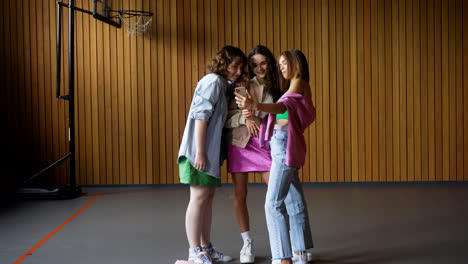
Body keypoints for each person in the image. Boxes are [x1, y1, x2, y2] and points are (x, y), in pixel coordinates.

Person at [235, 49, 315, 264]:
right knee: (294, 199)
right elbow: (285, 115)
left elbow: (283, 107)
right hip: (287, 142)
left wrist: (255, 106)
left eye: (284, 63)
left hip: (283, 145)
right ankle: (301, 252)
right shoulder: (298, 85)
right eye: (279, 64)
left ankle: (283, 258)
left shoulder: (297, 85)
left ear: (296, 64)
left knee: (272, 204)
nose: (281, 67)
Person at [178, 45, 247, 264]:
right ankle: (193, 251)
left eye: (240, 68)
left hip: (209, 154)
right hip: (198, 153)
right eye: (234, 66)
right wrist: (200, 152)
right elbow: (201, 117)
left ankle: (205, 248)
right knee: (198, 199)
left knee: (206, 200)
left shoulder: (223, 85)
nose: (237, 71)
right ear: (223, 63)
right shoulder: (213, 82)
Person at [224, 45, 282, 263]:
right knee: (240, 194)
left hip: (265, 144)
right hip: (241, 143)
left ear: (270, 63)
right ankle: (247, 243)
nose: (259, 68)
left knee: (276, 195)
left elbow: (284, 114)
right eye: (255, 64)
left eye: (263, 63)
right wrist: (244, 118)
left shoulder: (279, 87)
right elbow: (226, 117)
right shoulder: (241, 86)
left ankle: (284, 243)